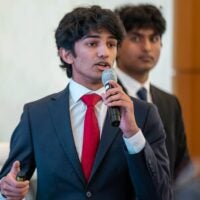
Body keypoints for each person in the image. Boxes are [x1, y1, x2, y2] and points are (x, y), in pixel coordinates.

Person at [0, 5, 172, 200]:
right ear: (66, 54)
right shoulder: (37, 114)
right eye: (92, 44)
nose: (104, 53)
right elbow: (10, 180)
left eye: (111, 44)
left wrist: (132, 133)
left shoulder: (143, 113)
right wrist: (8, 191)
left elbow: (161, 195)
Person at [114, 4, 190, 181]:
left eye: (154, 38)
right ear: (116, 44)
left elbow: (181, 166)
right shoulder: (102, 96)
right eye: (135, 38)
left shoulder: (170, 103)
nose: (147, 47)